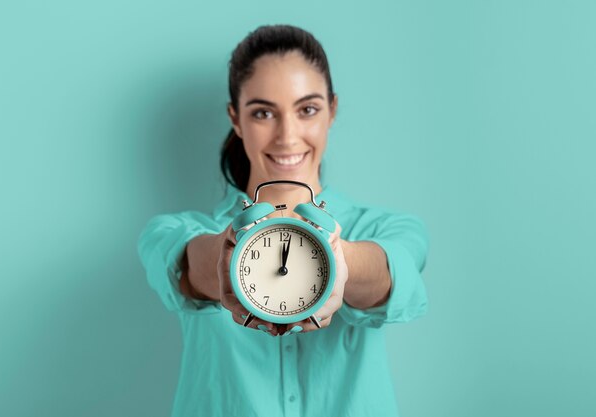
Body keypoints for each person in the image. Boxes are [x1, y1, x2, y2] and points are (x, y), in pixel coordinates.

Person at [137, 24, 429, 417]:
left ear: (332, 111)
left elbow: (393, 271)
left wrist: (339, 264)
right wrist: (228, 258)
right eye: (262, 113)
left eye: (307, 109)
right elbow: (191, 267)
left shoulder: (388, 229)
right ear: (236, 119)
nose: (287, 136)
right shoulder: (175, 232)